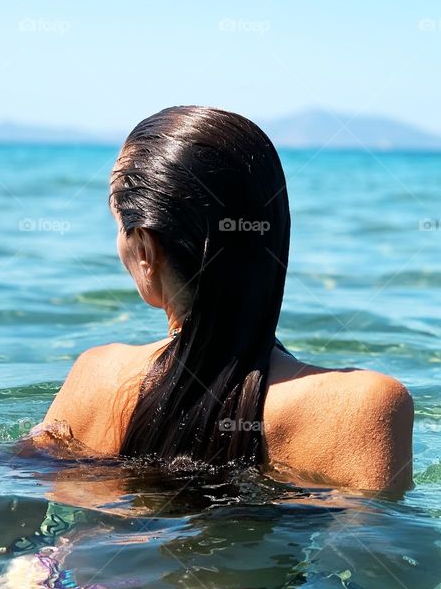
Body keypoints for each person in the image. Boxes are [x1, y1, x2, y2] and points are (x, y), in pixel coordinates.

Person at [31, 106, 412, 491]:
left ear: (145, 249)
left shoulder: (96, 377)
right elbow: (378, 547)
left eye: (117, 226)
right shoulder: (363, 406)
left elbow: (8, 514)